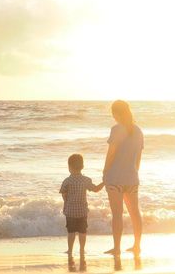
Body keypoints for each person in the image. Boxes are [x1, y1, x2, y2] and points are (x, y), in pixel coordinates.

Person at [103, 100, 144, 268]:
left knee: (117, 214)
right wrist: (133, 172)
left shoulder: (117, 129)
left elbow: (111, 153)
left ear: (117, 113)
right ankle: (137, 245)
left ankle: (117, 248)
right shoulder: (138, 131)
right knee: (135, 212)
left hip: (115, 178)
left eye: (113, 113)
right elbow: (138, 158)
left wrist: (105, 171)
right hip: (132, 178)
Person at [60, 154, 104, 272]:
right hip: (82, 211)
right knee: (83, 232)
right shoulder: (86, 180)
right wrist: (104, 182)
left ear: (69, 167)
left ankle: (70, 250)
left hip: (70, 211)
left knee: (71, 232)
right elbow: (95, 189)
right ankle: (82, 249)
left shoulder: (67, 181)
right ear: (82, 166)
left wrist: (66, 201)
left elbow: (63, 193)